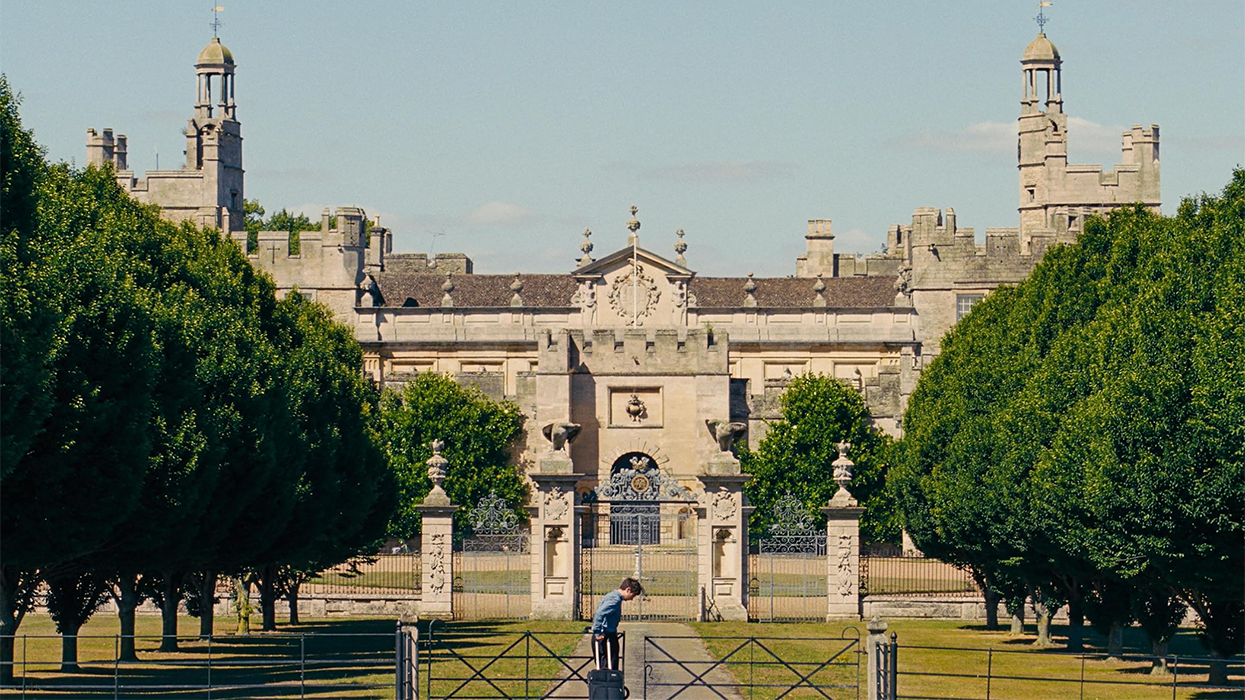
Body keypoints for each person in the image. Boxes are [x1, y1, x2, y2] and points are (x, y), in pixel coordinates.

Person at [591, 577, 642, 670]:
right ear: (628, 589)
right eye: (633, 595)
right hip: (605, 636)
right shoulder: (614, 600)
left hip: (608, 633)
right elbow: (599, 613)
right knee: (608, 668)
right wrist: (597, 632)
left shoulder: (612, 596)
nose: (632, 599)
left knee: (608, 666)